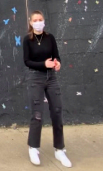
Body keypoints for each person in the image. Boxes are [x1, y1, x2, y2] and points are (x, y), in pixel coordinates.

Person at [23, 11, 72, 168]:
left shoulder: (50, 38)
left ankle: (59, 149)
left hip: (51, 78)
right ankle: (33, 147)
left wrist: (57, 64)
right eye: (35, 20)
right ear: (31, 23)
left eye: (40, 20)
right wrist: (43, 64)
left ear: (44, 21)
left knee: (57, 112)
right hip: (35, 78)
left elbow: (56, 56)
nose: (38, 22)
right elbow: (27, 61)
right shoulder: (27, 40)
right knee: (37, 115)